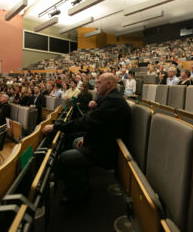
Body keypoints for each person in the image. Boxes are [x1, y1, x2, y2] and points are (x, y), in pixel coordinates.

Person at [41, 73, 131, 204]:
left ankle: (78, 196)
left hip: (107, 150)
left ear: (109, 84)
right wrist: (87, 138)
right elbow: (97, 123)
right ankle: (80, 183)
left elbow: (87, 121)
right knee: (75, 140)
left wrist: (56, 126)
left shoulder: (114, 101)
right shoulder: (111, 98)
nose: (96, 85)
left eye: (99, 83)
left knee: (66, 157)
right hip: (103, 141)